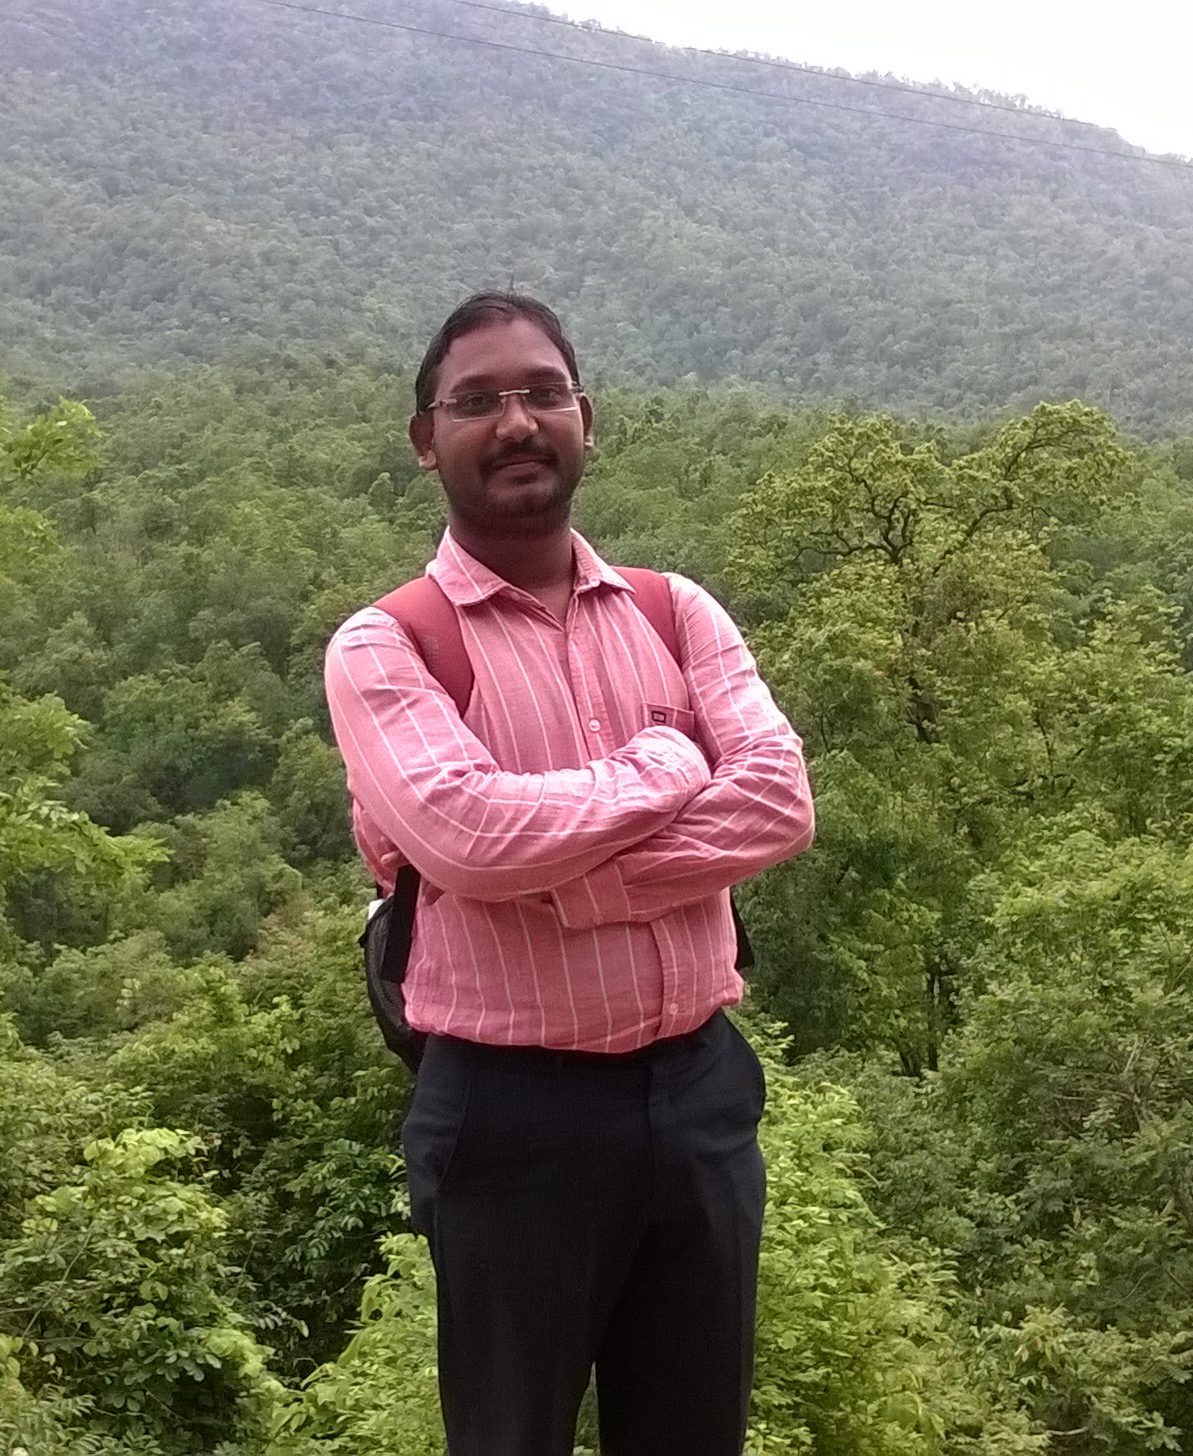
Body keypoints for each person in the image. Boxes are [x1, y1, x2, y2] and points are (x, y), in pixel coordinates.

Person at [323, 292, 815, 1456]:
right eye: (478, 400)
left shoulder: (675, 611)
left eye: (543, 393)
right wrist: (665, 765)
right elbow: (467, 837)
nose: (517, 421)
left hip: (698, 1091)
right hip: (511, 1117)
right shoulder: (390, 644)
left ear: (585, 419)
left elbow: (777, 801)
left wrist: (569, 878)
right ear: (426, 437)